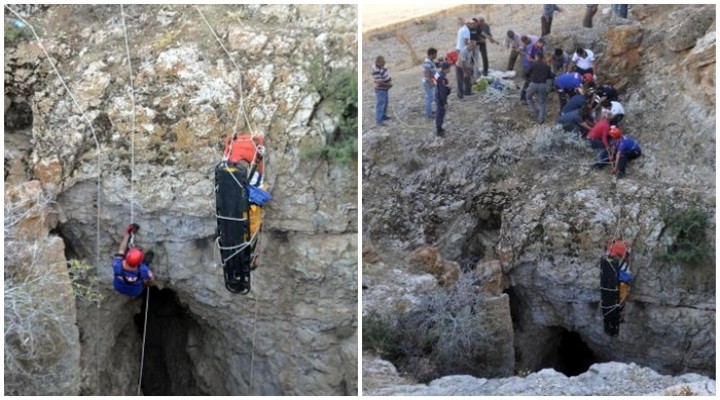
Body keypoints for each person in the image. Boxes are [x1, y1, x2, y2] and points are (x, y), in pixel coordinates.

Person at [113, 223, 155, 297]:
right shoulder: (144, 269)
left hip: (119, 288)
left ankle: (146, 262)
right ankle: (146, 262)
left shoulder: (117, 265)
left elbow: (121, 250)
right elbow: (151, 281)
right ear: (139, 263)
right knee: (146, 266)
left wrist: (127, 234)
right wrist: (146, 283)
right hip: (135, 292)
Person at [525, 54, 554, 124]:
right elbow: (550, 76)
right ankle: (541, 120)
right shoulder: (547, 67)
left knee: (528, 97)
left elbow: (527, 73)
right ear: (543, 58)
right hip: (543, 85)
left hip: (533, 84)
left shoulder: (534, 64)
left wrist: (529, 77)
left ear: (536, 57)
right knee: (542, 103)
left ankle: (535, 111)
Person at [519, 34, 540, 104]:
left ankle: (536, 94)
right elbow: (530, 59)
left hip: (528, 66)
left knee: (535, 81)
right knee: (528, 82)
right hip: (528, 67)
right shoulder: (530, 47)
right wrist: (537, 61)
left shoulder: (533, 42)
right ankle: (523, 98)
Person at [372, 56, 392, 126]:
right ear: (378, 62)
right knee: (381, 104)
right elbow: (380, 82)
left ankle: (383, 116)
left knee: (385, 102)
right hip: (380, 89)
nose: (384, 64)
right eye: (382, 63)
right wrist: (388, 85)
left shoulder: (380, 67)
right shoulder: (376, 70)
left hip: (384, 89)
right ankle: (379, 120)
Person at [435, 62, 452, 137]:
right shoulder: (442, 77)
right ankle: (439, 130)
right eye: (449, 68)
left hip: (437, 95)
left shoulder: (438, 74)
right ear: (445, 69)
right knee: (441, 112)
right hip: (440, 98)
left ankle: (439, 127)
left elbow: (434, 82)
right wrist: (444, 101)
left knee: (439, 111)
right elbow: (442, 91)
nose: (450, 69)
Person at [422, 48, 438, 119]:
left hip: (432, 80)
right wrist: (431, 82)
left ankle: (430, 111)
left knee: (431, 96)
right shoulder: (427, 62)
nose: (436, 55)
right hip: (428, 82)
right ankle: (429, 114)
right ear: (431, 54)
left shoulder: (431, 61)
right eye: (435, 54)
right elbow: (428, 72)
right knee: (429, 97)